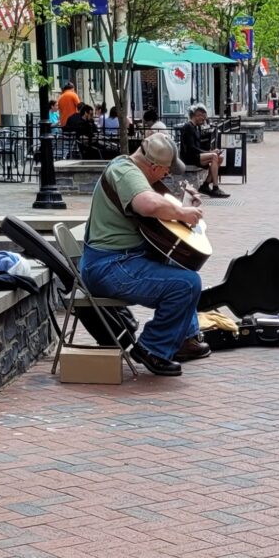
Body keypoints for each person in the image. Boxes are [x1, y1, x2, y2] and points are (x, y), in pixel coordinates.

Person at [79, 133, 209, 377]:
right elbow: (148, 205)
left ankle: (184, 338)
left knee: (181, 266)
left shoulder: (133, 173)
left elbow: (156, 204)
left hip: (120, 259)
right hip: (109, 266)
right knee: (187, 284)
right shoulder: (125, 172)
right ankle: (152, 348)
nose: (166, 175)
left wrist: (183, 204)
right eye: (165, 170)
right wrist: (182, 213)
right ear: (152, 165)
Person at [179, 104, 230, 198]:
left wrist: (211, 151)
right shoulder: (188, 127)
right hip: (189, 157)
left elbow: (199, 146)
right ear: (197, 115)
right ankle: (215, 187)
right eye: (202, 119)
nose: (203, 122)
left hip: (196, 155)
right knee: (214, 156)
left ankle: (205, 185)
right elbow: (191, 148)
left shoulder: (196, 127)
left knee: (220, 158)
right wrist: (209, 153)